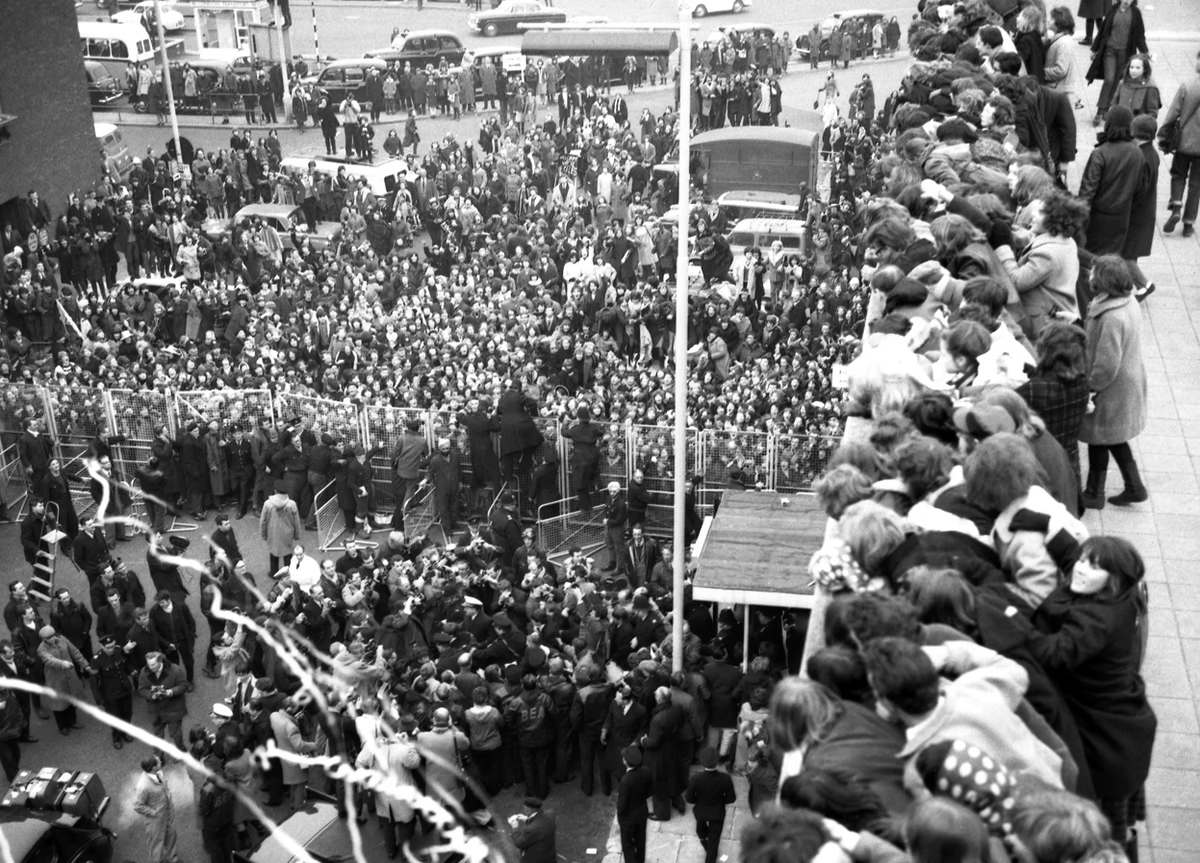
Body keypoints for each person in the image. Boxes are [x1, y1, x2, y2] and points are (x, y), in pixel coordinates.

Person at [1020, 536, 1156, 856]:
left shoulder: (1095, 621)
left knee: (1102, 834)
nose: (1081, 569)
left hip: (1102, 741)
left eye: (1093, 566)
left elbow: (1051, 653)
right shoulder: (1123, 598)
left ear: (1113, 579)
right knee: (1118, 828)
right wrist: (1050, 529)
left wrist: (1009, 616)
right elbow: (1077, 560)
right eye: (1082, 560)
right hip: (1123, 733)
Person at [1078, 255, 1149, 507]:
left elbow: (1106, 364)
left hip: (1111, 387)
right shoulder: (1127, 302)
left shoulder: (1111, 317)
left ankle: (1093, 494)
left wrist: (1090, 387)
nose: (1089, 275)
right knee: (1114, 436)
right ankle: (1134, 487)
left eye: (1093, 272)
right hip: (1126, 381)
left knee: (1098, 436)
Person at [1078, 106, 1144, 255]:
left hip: (1098, 218)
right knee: (1112, 258)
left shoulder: (1100, 153)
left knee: (1091, 257)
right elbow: (1139, 187)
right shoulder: (1138, 153)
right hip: (1122, 217)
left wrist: (1078, 219)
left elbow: (1087, 191)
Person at [1085, 0, 1148, 119]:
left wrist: (1145, 52)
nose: (1127, 1)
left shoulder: (1135, 13)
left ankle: (1107, 108)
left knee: (1116, 81)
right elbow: (1103, 31)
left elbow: (1140, 35)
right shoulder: (1113, 10)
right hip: (1110, 51)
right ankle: (1100, 109)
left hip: (1125, 53)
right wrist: (1095, 49)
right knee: (1109, 79)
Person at [1160, 48, 1200, 237]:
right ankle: (1188, 224)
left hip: (1184, 141)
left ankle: (1176, 206)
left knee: (1178, 174)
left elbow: (1173, 113)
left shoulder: (1188, 85)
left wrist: (1163, 134)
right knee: (1196, 184)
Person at [1123, 114, 1161, 301]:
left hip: (1137, 214)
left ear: (1135, 132)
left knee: (1124, 253)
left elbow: (1138, 188)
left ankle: (1144, 285)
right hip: (1145, 212)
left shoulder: (1141, 157)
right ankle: (1128, 284)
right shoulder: (1151, 153)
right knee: (1131, 252)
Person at [685, 747, 737, 863]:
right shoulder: (725, 778)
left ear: (702, 762)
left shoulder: (695, 779)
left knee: (700, 828)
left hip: (701, 811)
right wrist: (721, 801)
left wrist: (697, 801)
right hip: (717, 812)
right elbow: (731, 798)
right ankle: (710, 857)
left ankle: (704, 839)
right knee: (714, 839)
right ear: (716, 762)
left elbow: (689, 798)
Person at [36, 625, 87, 735]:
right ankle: (62, 726)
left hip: (69, 675)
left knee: (72, 699)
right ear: (44, 639)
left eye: (53, 636)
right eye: (49, 638)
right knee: (59, 704)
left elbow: (74, 651)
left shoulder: (62, 639)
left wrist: (85, 664)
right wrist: (63, 663)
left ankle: (72, 721)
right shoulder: (41, 649)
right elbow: (50, 660)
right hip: (55, 679)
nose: (52, 639)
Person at [91, 634, 136, 749]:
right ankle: (116, 738)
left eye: (113, 646)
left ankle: (125, 732)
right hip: (110, 694)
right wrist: (98, 698)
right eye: (108, 647)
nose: (111, 649)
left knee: (127, 713)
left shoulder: (119, 650)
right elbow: (94, 681)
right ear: (101, 646)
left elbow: (125, 663)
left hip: (124, 689)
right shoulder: (96, 660)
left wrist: (131, 670)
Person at [133, 753, 180, 863]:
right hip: (155, 819)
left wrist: (169, 797)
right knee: (156, 843)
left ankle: (172, 858)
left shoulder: (158, 773)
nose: (161, 762)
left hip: (167, 812)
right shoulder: (143, 786)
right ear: (153, 767)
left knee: (171, 835)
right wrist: (153, 812)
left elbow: (164, 786)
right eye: (158, 762)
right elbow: (137, 805)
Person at [139, 650, 188, 751]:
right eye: (148, 664)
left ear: (160, 661)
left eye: (153, 664)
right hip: (156, 710)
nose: (150, 667)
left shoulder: (175, 670)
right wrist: (151, 695)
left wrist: (171, 692)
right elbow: (142, 689)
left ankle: (181, 751)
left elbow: (183, 686)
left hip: (173, 709)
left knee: (175, 734)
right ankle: (158, 756)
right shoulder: (144, 672)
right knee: (157, 735)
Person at [616, 745, 652, 863]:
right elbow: (651, 790)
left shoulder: (625, 780)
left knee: (627, 845)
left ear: (626, 762)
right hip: (642, 813)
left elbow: (622, 805)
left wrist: (620, 814)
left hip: (628, 818)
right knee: (640, 842)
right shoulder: (646, 771)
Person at [1111, 53, 1161, 119]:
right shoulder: (1123, 83)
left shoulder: (1150, 88)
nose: (1133, 71)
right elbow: (1114, 104)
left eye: (1138, 68)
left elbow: (1152, 113)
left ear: (1144, 69)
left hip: (1139, 124)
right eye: (1131, 67)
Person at [511, 797, 557, 863]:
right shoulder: (551, 814)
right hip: (550, 855)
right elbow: (541, 823)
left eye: (525, 809)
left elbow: (518, 843)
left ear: (528, 810)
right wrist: (527, 819)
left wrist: (514, 827)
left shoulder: (530, 830)